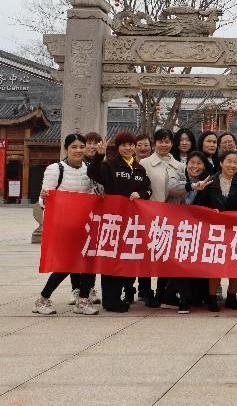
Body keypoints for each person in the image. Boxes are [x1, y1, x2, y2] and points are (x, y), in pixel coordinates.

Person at [33, 134, 99, 316]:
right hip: (62, 226)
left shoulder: (90, 170)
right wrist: (44, 198)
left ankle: (83, 300)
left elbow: (93, 195)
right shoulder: (55, 169)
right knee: (67, 264)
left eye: (81, 147)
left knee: (89, 262)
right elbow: (43, 198)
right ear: (66, 149)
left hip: (84, 225)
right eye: (74, 147)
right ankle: (43, 299)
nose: (78, 150)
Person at [88, 131, 152, 313]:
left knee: (125, 260)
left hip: (132, 223)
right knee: (111, 260)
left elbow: (148, 189)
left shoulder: (140, 169)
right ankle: (110, 300)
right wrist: (98, 155)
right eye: (123, 145)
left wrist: (141, 195)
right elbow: (93, 173)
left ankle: (120, 296)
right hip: (113, 221)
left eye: (131, 144)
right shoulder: (109, 165)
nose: (128, 148)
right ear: (117, 148)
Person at [193, 150, 237, 310]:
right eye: (229, 161)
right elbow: (197, 206)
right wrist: (210, 212)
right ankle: (212, 298)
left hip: (234, 230)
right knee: (215, 264)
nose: (232, 165)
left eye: (235, 162)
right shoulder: (210, 181)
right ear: (221, 163)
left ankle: (231, 296)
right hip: (214, 230)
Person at [140, 129, 187, 309]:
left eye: (167, 141)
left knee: (167, 256)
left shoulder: (179, 166)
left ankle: (162, 293)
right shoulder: (144, 163)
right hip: (150, 215)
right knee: (147, 256)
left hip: (173, 217)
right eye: (160, 141)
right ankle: (145, 292)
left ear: (172, 144)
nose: (164, 145)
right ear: (154, 143)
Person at [177, 151, 215, 312]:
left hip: (200, 229)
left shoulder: (209, 182)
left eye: (199, 163)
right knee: (181, 264)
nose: (195, 166)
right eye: (192, 163)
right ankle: (183, 299)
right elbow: (171, 191)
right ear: (186, 165)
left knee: (200, 263)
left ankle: (200, 296)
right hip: (179, 229)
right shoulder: (180, 180)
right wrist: (192, 186)